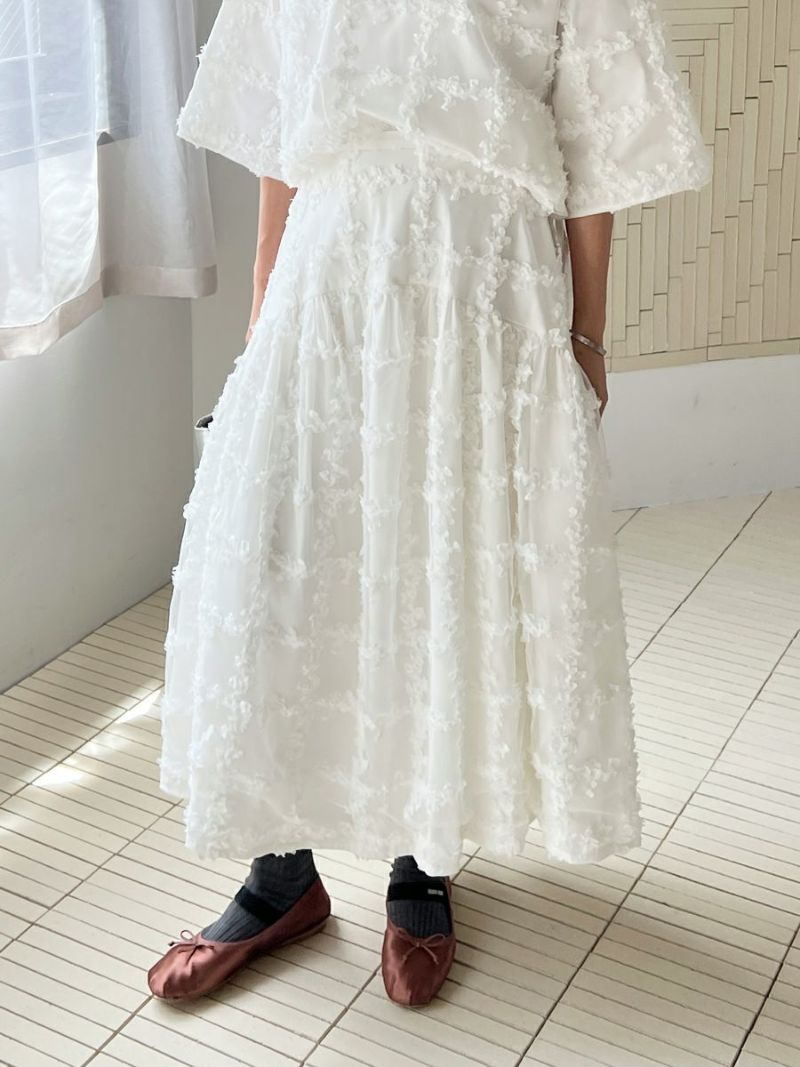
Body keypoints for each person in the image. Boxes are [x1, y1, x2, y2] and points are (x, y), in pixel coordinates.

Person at [147, 0, 710, 1007]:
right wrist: (265, 298)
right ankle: (280, 872)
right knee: (285, 557)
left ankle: (422, 859)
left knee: (438, 563)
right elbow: (278, 121)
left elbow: (594, 140)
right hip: (328, 271)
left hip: (485, 287)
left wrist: (585, 335)